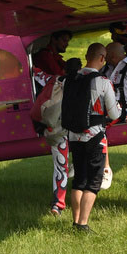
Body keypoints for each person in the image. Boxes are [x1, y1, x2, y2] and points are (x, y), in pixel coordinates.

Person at [61, 43, 121, 232]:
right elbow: (114, 114)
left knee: (79, 179)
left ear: (87, 55)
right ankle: (83, 224)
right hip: (95, 137)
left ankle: (75, 220)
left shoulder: (70, 79)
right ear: (103, 58)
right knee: (94, 182)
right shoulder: (103, 81)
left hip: (74, 137)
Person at [30, 57, 82, 216]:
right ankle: (82, 201)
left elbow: (36, 73)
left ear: (64, 69)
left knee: (61, 167)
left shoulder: (54, 80)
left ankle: (57, 205)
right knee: (83, 164)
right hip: (80, 131)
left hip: (57, 130)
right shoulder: (85, 83)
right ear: (79, 70)